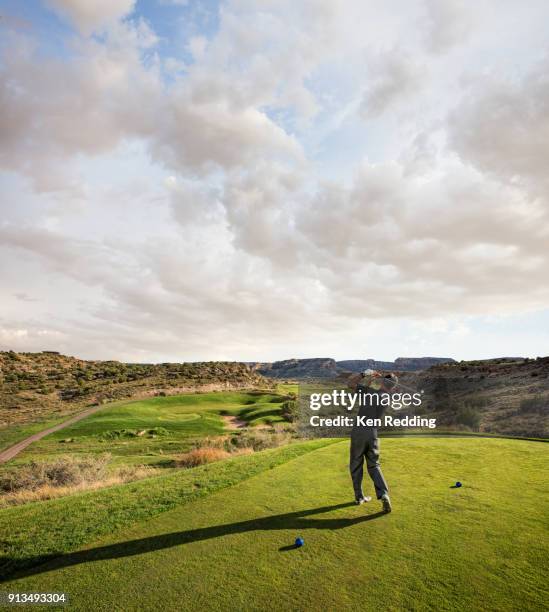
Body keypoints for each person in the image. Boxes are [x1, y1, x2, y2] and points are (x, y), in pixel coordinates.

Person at [348, 370, 398, 513]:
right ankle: (384, 494)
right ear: (392, 387)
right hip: (373, 433)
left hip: (359, 431)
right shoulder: (386, 397)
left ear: (382, 382)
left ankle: (359, 497)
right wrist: (371, 382)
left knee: (356, 464)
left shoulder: (369, 392)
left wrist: (365, 375)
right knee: (374, 465)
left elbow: (350, 383)